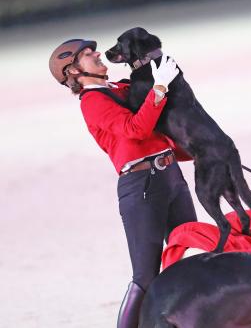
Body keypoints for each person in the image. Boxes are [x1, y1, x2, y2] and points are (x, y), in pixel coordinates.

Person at [49, 39, 198, 328]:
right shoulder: (92, 103)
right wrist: (159, 88)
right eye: (88, 55)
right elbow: (136, 130)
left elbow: (159, 123)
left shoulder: (119, 89)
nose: (97, 54)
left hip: (171, 177)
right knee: (145, 275)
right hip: (142, 187)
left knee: (187, 256)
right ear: (74, 72)